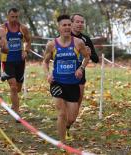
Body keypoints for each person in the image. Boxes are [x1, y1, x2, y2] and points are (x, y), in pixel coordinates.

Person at [43, 14, 90, 143]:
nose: (67, 27)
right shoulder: (52, 44)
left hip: (73, 83)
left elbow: (86, 57)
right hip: (57, 82)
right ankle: (62, 143)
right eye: (64, 25)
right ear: (59, 27)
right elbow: (45, 62)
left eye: (69, 25)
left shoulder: (78, 43)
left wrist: (81, 69)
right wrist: (48, 74)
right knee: (62, 114)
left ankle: (67, 127)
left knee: (72, 117)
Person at [69, 13, 99, 130]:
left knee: (78, 99)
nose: (80, 24)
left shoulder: (86, 39)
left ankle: (70, 123)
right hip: (64, 73)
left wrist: (90, 53)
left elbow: (96, 59)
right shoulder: (64, 37)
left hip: (80, 73)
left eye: (82, 22)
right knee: (67, 100)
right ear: (71, 23)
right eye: (77, 22)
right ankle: (65, 120)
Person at [0, 7, 31, 117]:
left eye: (16, 17)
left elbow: (28, 41)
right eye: (12, 17)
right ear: (7, 16)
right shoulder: (2, 29)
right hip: (7, 61)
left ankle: (14, 105)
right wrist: (2, 47)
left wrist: (26, 51)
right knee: (13, 86)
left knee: (17, 89)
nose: (14, 19)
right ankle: (17, 113)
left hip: (20, 62)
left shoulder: (23, 28)